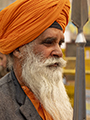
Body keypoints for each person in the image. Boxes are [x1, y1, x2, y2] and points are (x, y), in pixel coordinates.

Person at [0, 0, 73, 120]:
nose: (59, 52)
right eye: (49, 42)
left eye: (60, 43)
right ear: (18, 49)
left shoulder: (54, 93)